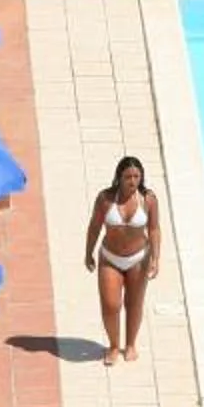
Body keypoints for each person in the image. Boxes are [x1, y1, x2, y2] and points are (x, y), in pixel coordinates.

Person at [81, 155, 160, 365]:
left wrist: (156, 258)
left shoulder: (148, 199)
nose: (132, 181)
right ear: (119, 177)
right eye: (128, 177)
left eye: (136, 176)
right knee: (110, 304)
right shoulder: (105, 199)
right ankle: (114, 345)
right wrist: (88, 252)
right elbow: (94, 226)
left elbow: (153, 229)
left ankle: (131, 343)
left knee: (134, 303)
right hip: (111, 258)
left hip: (138, 258)